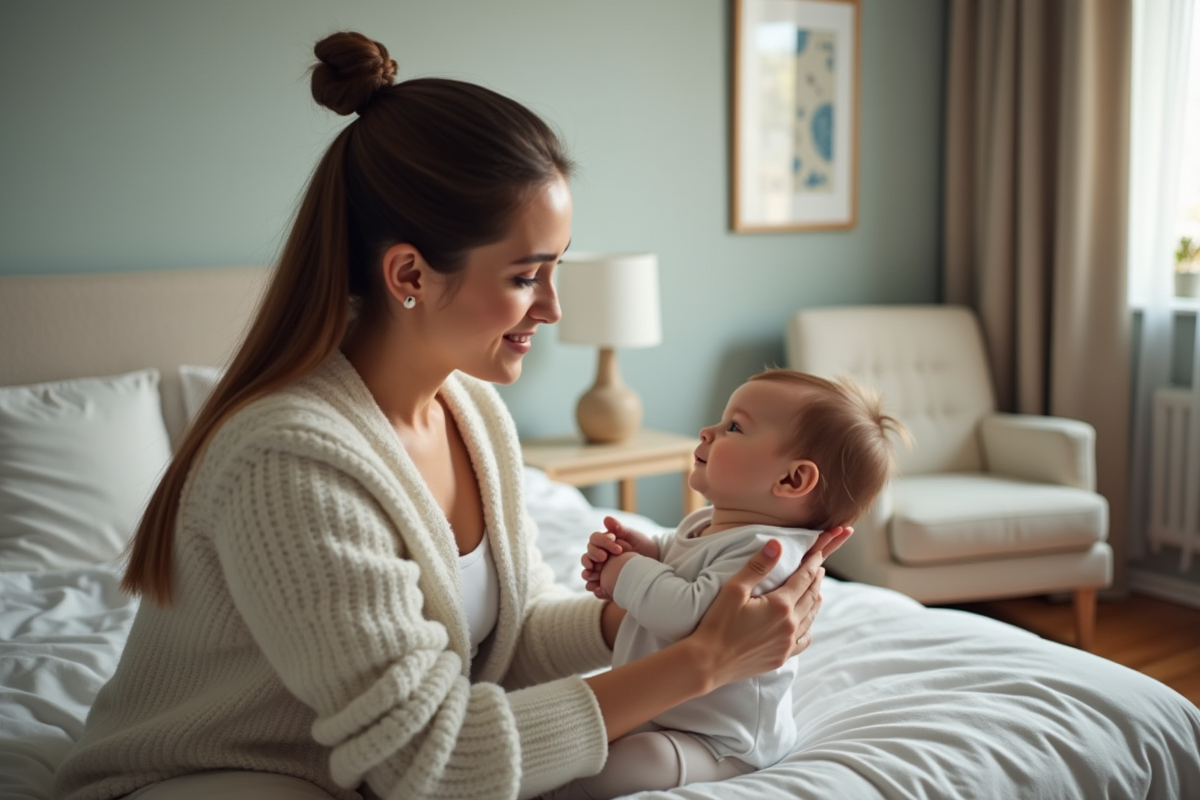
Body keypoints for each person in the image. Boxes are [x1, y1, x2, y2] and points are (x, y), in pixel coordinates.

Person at [52, 32, 851, 800]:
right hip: (221, 775)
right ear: (409, 274)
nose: (553, 308)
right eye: (526, 276)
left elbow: (508, 637)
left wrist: (647, 617)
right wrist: (703, 663)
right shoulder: (287, 462)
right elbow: (429, 766)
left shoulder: (471, 412)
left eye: (556, 269)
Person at [555, 369, 910, 799]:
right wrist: (648, 551)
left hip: (720, 740)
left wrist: (624, 571)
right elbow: (679, 555)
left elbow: (686, 614)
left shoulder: (768, 554)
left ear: (792, 480)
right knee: (591, 739)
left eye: (734, 427)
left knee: (633, 763)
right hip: (670, 705)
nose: (708, 431)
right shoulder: (709, 521)